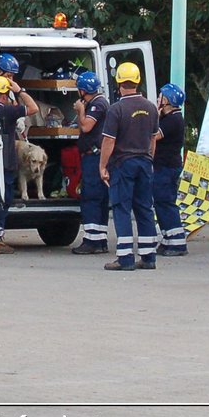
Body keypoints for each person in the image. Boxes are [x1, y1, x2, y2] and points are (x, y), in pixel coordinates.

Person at [0, 55, 39, 255]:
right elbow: (34, 108)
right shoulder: (9, 111)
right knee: (4, 198)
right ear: (5, 92)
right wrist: (19, 90)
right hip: (5, 160)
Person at [99, 62, 159, 271]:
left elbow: (109, 141)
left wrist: (102, 166)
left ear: (118, 83)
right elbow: (153, 139)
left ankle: (125, 258)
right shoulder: (151, 107)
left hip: (123, 164)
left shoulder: (117, 109)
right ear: (137, 81)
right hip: (144, 162)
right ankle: (148, 256)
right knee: (144, 208)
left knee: (122, 208)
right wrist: (149, 158)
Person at [71, 70, 111, 255]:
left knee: (92, 197)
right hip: (95, 156)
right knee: (99, 198)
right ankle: (99, 239)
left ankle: (92, 240)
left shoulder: (98, 104)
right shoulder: (99, 102)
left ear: (83, 90)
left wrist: (80, 111)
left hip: (94, 157)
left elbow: (87, 126)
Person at [152, 83, 188, 256]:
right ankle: (167, 240)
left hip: (166, 167)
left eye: (160, 96)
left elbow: (154, 135)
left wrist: (154, 118)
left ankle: (177, 243)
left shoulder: (174, 119)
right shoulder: (168, 118)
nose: (158, 99)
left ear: (166, 100)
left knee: (166, 202)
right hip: (162, 166)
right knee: (160, 202)